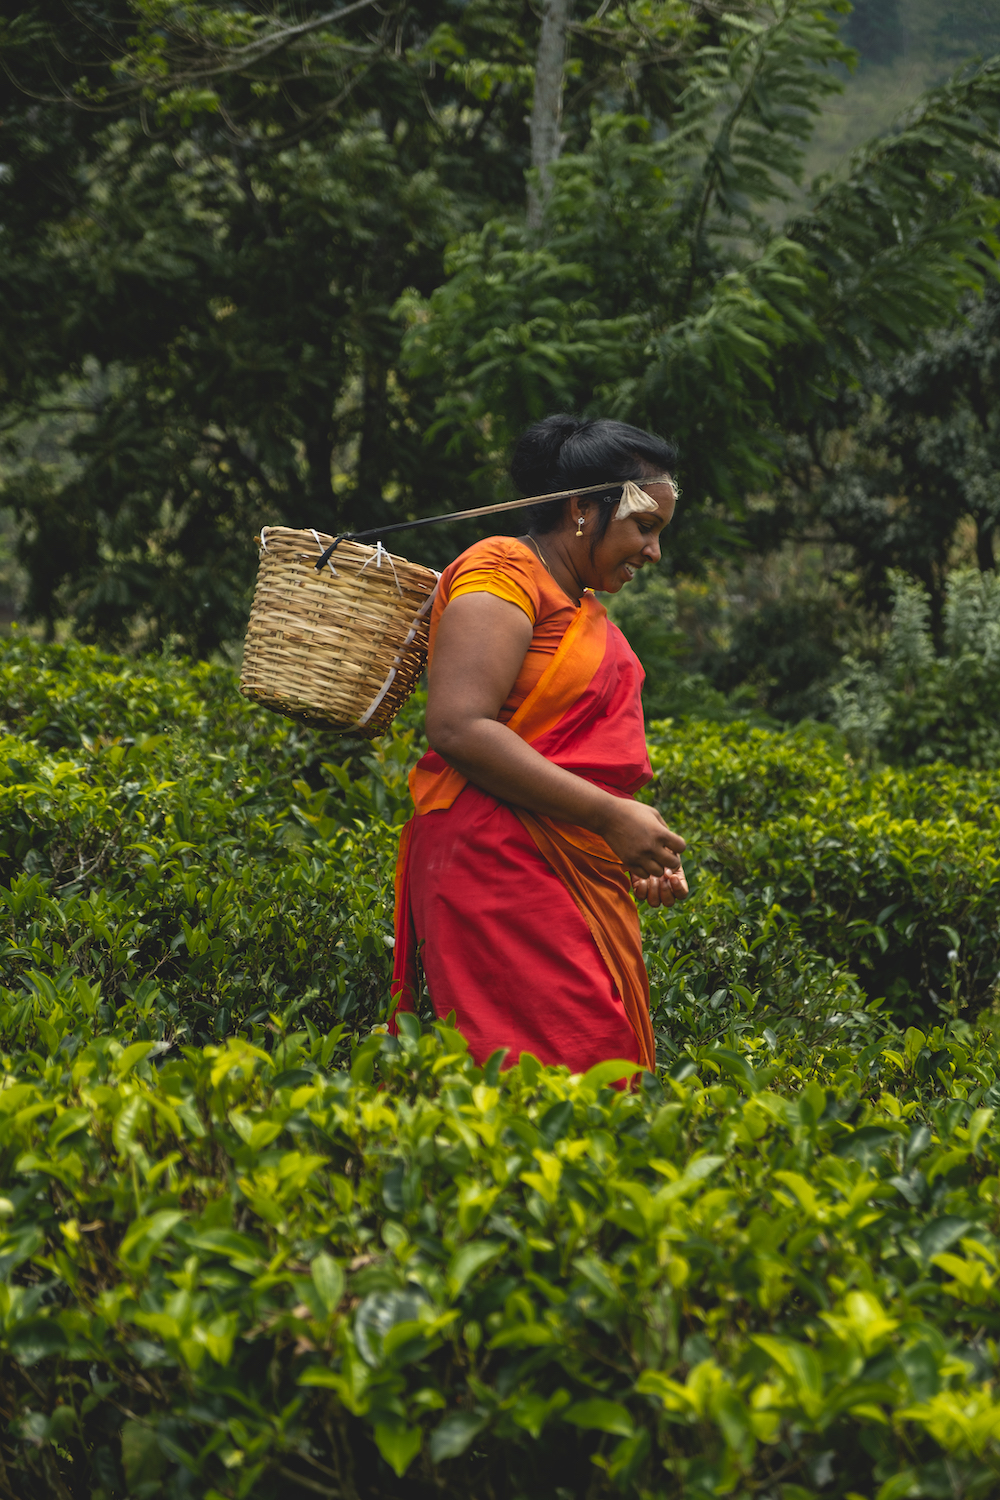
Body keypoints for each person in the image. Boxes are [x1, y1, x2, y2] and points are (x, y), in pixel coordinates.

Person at [391, 414, 688, 1074]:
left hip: (571, 866)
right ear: (584, 509)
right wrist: (610, 817)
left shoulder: (582, 610)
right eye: (645, 527)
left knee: (595, 1060)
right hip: (493, 867)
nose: (653, 553)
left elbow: (581, 762)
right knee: (545, 1071)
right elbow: (459, 726)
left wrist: (632, 843)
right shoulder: (500, 573)